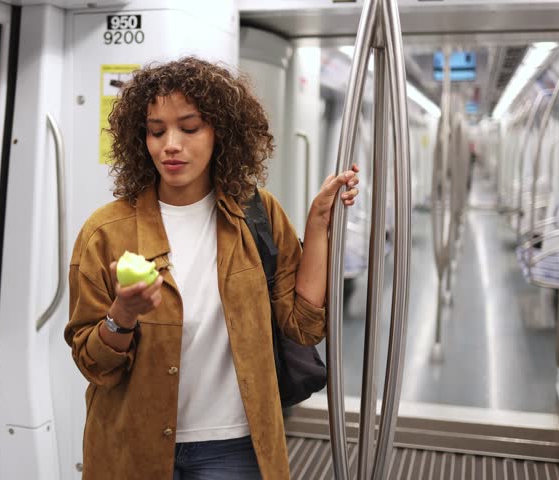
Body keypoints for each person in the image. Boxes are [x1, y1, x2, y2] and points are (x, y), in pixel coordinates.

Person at [64, 56, 359, 480]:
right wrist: (122, 316)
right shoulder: (106, 231)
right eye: (155, 130)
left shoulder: (257, 213)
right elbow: (94, 365)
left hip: (235, 446)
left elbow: (303, 326)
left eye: (189, 127)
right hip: (133, 446)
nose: (170, 144)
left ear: (221, 132)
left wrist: (317, 223)